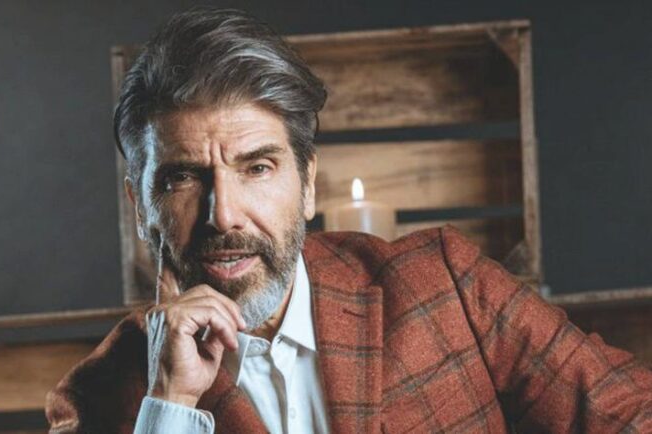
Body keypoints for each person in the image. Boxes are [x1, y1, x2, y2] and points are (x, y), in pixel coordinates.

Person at [45, 7, 652, 434]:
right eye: (182, 178)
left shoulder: (446, 284)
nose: (223, 214)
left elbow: (628, 412)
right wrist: (170, 405)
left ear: (308, 184)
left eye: (257, 168)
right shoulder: (98, 395)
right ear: (140, 206)